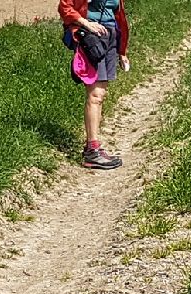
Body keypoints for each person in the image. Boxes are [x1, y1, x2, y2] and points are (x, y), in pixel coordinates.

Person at [60, 0, 130, 169]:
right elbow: (65, 7)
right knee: (95, 95)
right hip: (93, 39)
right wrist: (86, 24)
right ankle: (92, 151)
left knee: (101, 96)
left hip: (111, 38)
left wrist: (122, 52)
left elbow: (118, 16)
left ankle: (93, 147)